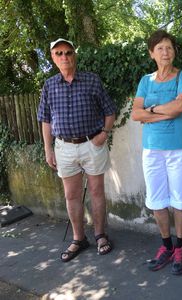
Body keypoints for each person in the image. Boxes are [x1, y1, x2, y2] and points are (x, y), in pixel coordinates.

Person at [37, 38, 116, 262]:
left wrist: (104, 133)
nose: (64, 57)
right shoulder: (49, 85)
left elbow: (110, 111)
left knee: (97, 192)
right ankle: (79, 238)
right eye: (59, 53)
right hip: (64, 148)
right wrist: (47, 148)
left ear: (75, 55)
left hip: (92, 144)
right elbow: (45, 120)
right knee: (71, 195)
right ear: (53, 58)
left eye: (68, 52)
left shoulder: (91, 81)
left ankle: (101, 235)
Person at [131, 30, 182, 275]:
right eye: (160, 48)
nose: (165, 52)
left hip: (180, 148)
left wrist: (152, 110)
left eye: (169, 47)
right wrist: (163, 112)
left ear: (174, 52)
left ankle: (180, 248)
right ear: (152, 54)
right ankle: (166, 246)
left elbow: (180, 106)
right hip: (152, 150)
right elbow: (135, 114)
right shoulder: (145, 81)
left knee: (180, 200)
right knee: (157, 200)